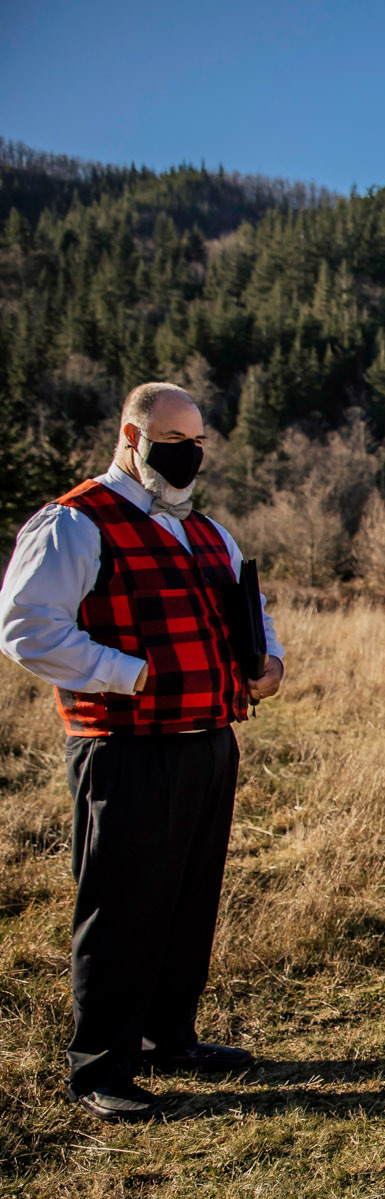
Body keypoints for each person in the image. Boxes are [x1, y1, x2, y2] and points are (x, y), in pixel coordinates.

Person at [0, 382, 286, 1123]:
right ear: (131, 435)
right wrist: (126, 673)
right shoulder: (74, 523)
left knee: (190, 901)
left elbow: (252, 614)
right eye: (171, 440)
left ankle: (171, 1036)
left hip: (209, 742)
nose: (187, 455)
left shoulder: (207, 533)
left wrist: (269, 663)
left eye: (197, 443)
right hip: (124, 749)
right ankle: (102, 1065)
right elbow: (27, 627)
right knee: (122, 906)